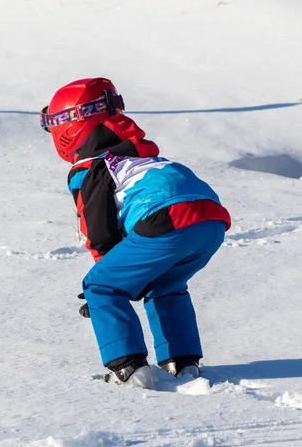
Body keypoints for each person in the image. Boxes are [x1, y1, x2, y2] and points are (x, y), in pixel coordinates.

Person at [40, 77, 231, 389]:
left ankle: (128, 369)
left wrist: (108, 281)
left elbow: (99, 232)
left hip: (166, 219)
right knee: (165, 283)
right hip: (210, 219)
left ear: (70, 123)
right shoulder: (140, 157)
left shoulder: (90, 167)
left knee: (100, 285)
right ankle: (182, 364)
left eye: (52, 122)